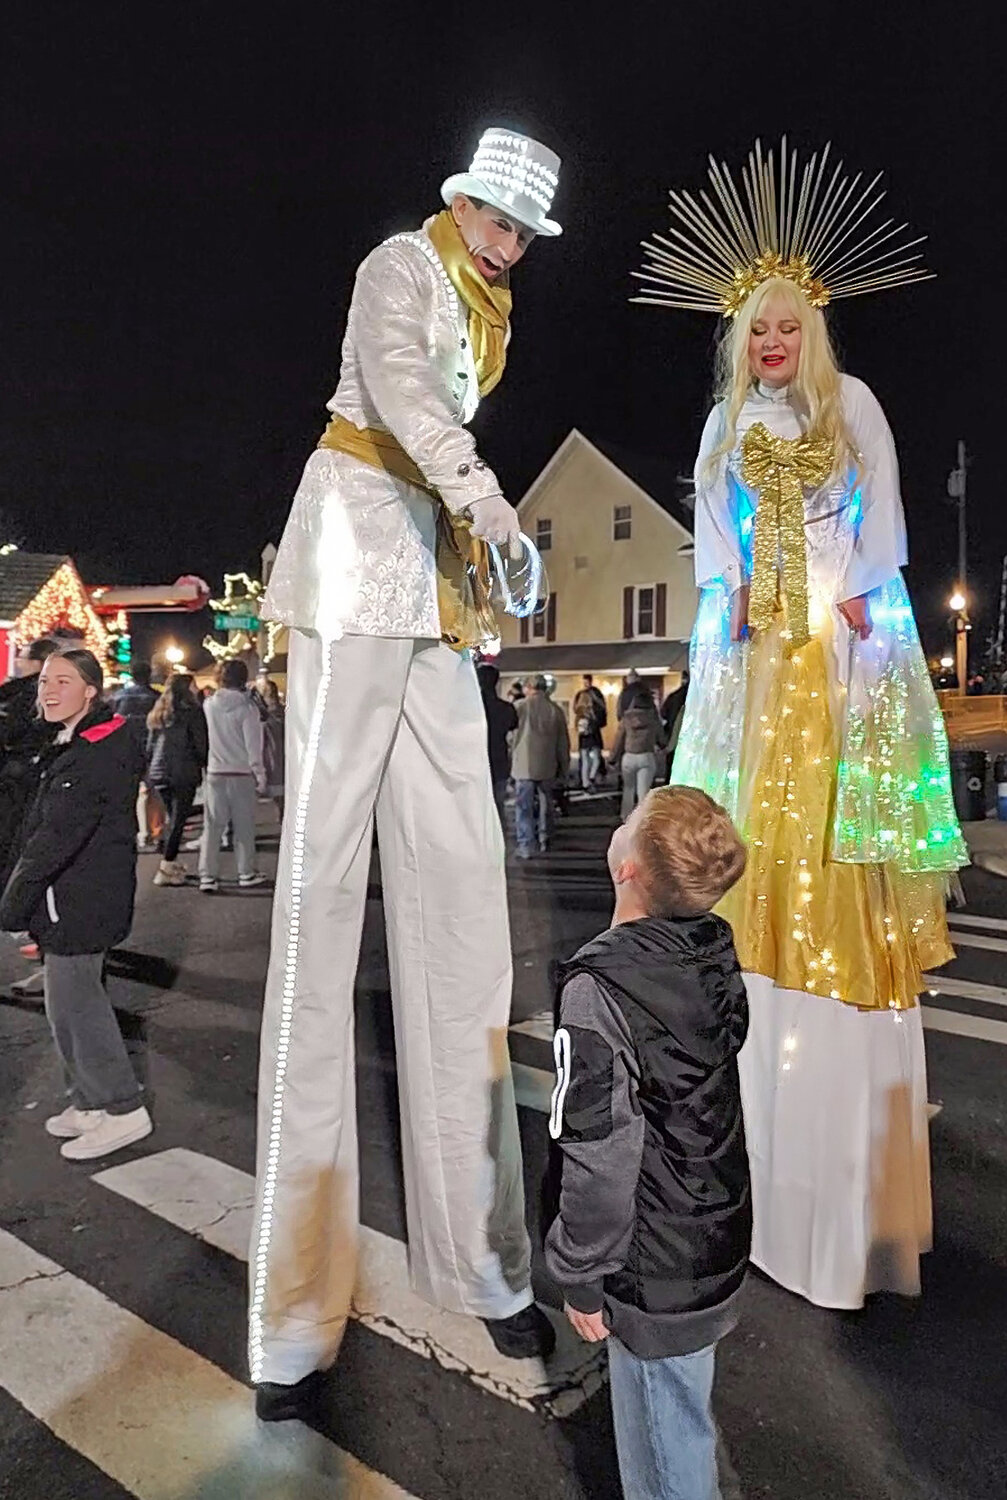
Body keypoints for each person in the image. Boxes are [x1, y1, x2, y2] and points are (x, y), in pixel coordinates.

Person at [252, 125, 563, 1416]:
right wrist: (494, 510)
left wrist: (479, 542)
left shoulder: (486, 310)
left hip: (433, 593)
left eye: (520, 232)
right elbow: (395, 391)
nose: (502, 240)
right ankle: (285, 1310)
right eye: (493, 216)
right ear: (461, 201)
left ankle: (484, 1259)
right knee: (320, 909)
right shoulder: (398, 266)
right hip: (348, 563)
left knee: (461, 901)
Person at [641, 140, 967, 1308]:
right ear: (739, 342)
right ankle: (759, 1187)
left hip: (837, 669)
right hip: (759, 678)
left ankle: (840, 1203)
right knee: (751, 884)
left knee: (836, 876)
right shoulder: (726, 430)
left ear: (810, 330)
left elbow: (882, 542)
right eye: (755, 332)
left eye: (786, 328)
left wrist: (848, 614)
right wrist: (730, 627)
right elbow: (715, 560)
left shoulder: (856, 410)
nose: (772, 346)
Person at [545, 785, 750, 1500]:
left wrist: (580, 1270)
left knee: (664, 1451)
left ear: (628, 866)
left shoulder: (600, 988)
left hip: (650, 1260)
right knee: (683, 1413)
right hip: (711, 1228)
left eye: (630, 820)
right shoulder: (709, 945)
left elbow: (597, 1152)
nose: (620, 823)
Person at [0, 649, 151, 1160]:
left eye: (64, 681)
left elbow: (52, 840)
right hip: (67, 899)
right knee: (65, 1006)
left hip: (81, 901)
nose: (48, 689)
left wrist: (12, 906)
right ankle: (88, 1099)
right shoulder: (72, 742)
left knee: (77, 1005)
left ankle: (122, 1107)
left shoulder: (93, 753)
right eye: (44, 680)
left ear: (92, 691)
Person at [199, 658, 266, 893]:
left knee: (213, 826)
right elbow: (253, 746)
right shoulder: (248, 709)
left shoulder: (209, 705)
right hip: (241, 773)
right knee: (244, 827)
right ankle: (246, 872)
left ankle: (208, 875)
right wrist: (260, 774)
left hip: (216, 771)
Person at [0, 638, 59, 889]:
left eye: (22, 657)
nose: (17, 662)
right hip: (35, 772)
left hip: (16, 773)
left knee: (10, 838)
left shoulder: (22, 695)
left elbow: (14, 731)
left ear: (37, 663)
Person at [146, 674, 208, 887]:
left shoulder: (160, 713)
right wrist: (204, 762)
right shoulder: (193, 713)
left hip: (159, 771)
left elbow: (150, 745)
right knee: (178, 820)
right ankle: (167, 864)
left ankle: (170, 862)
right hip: (183, 771)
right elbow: (200, 743)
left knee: (174, 819)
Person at [511, 675, 571, 857]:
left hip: (523, 764)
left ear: (529, 687)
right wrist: (564, 767)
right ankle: (545, 837)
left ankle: (526, 845)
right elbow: (563, 743)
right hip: (547, 764)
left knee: (524, 807)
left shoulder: (519, 708)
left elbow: (510, 737)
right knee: (547, 804)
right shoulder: (555, 710)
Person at [114, 661, 160, 852]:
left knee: (125, 792)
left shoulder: (119, 698)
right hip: (150, 749)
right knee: (149, 791)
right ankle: (148, 832)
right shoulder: (156, 698)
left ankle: (129, 831)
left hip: (123, 749)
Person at [609, 682, 666, 818]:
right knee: (644, 792)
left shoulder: (626, 718)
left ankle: (625, 818)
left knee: (628, 789)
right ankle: (641, 820)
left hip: (629, 757)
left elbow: (619, 739)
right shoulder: (652, 718)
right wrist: (663, 745)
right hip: (646, 756)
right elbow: (661, 737)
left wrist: (612, 759)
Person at [477, 661, 518, 827]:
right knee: (497, 807)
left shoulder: (471, 708)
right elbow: (513, 724)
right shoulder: (506, 708)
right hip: (499, 761)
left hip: (475, 763)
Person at [254, 674, 286, 821]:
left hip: (272, 754)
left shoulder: (264, 716)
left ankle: (283, 813)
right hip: (286, 753)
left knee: (277, 788)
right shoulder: (284, 711)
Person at [573, 674, 607, 791]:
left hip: (584, 734)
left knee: (585, 758)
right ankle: (590, 779)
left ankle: (585, 782)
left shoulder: (580, 708)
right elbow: (602, 711)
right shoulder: (596, 696)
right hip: (594, 731)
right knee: (596, 757)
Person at [660, 669, 689, 780]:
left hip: (674, 738)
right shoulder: (697, 697)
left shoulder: (674, 696)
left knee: (671, 772)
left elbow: (664, 714)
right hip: (689, 742)